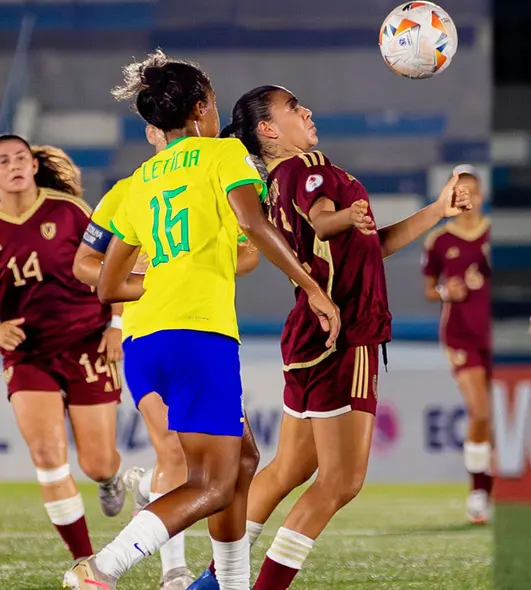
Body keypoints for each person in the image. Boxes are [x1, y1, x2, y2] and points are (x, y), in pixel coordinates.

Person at [63, 51, 338, 590]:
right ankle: (102, 568)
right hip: (199, 335)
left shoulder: (138, 182)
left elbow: (105, 285)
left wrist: (163, 277)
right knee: (211, 482)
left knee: (242, 460)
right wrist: (311, 289)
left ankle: (229, 583)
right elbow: (254, 226)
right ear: (202, 108)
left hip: (146, 341)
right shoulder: (223, 156)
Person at [188, 84, 469, 590]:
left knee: (287, 467)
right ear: (268, 129)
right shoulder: (310, 166)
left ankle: (212, 582)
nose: (308, 110)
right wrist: (341, 216)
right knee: (340, 482)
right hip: (346, 335)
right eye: (294, 107)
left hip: (308, 335)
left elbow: (370, 245)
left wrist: (435, 211)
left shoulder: (275, 184)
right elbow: (324, 221)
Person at [71, 122, 261, 590]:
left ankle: (228, 580)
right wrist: (153, 282)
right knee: (183, 456)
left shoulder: (169, 182)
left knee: (243, 459)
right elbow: (85, 265)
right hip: (170, 330)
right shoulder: (140, 185)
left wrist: (180, 271)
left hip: (166, 332)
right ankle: (155, 569)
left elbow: (246, 253)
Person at [0, 137, 125, 565]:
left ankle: (110, 480)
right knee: (48, 457)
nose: (14, 166)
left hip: (87, 341)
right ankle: (85, 563)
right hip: (28, 355)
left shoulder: (69, 211)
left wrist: (117, 325)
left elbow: (117, 259)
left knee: (98, 464)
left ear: (34, 166)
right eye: (3, 161)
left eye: (21, 159)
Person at [422, 164, 495, 524]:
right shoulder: (440, 240)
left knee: (491, 418)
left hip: (494, 334)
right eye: (459, 193)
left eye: (470, 192)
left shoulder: (495, 235)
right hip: (460, 334)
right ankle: (479, 490)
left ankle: (487, 487)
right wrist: (443, 291)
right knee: (479, 412)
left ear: (481, 196)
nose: (465, 199)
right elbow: (428, 287)